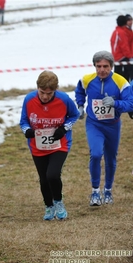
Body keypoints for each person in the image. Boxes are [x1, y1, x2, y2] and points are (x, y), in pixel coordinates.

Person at [75, 50, 133, 207]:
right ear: (94, 66)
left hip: (113, 126)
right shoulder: (87, 79)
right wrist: (80, 106)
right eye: (99, 66)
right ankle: (95, 192)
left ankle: (108, 190)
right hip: (94, 124)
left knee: (110, 159)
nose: (102, 70)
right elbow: (79, 90)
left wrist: (115, 103)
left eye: (106, 66)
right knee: (95, 154)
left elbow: (131, 103)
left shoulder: (121, 82)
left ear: (111, 66)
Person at [20, 71, 79, 221]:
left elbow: (75, 115)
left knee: (52, 174)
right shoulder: (29, 99)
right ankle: (48, 206)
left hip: (59, 143)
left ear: (56, 90)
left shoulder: (64, 99)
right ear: (37, 88)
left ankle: (58, 202)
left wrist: (64, 128)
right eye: (42, 92)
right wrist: (27, 131)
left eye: (49, 93)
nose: (45, 96)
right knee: (43, 178)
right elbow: (24, 121)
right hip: (38, 145)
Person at [110, 15, 133, 81]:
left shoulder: (116, 31)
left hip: (116, 56)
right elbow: (124, 46)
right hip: (122, 57)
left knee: (118, 75)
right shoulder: (122, 32)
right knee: (128, 73)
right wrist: (130, 56)